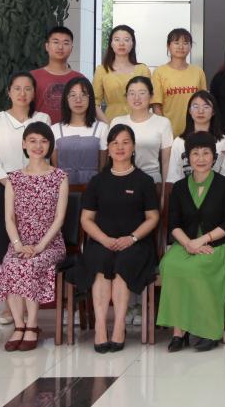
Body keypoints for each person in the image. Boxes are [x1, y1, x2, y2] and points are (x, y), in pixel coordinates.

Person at [71, 124, 160, 353]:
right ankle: (101, 327)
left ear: (133, 147)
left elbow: (152, 217)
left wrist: (132, 238)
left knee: (122, 263)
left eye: (125, 142)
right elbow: (86, 219)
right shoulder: (97, 181)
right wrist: (103, 239)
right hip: (102, 241)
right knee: (101, 262)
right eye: (115, 143)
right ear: (108, 149)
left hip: (136, 243)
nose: (120, 147)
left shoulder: (144, 181)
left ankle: (119, 326)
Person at [0, 123, 68, 352]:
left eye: (43, 141)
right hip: (20, 244)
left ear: (50, 145)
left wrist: (39, 247)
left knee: (29, 266)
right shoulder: (13, 179)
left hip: (50, 244)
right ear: (24, 144)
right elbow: (9, 218)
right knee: (10, 264)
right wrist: (18, 245)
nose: (38, 146)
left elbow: (59, 218)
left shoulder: (59, 177)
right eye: (33, 140)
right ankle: (19, 325)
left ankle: (32, 325)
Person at [157, 132, 225, 353]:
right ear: (187, 158)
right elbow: (173, 224)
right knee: (170, 265)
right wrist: (188, 244)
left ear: (214, 157)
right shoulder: (179, 187)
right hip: (185, 243)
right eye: (195, 153)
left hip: (218, 244)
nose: (200, 158)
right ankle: (179, 331)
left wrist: (201, 241)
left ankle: (208, 330)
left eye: (206, 153)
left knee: (197, 268)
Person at [0, 71, 52, 279]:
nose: (22, 93)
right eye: (17, 88)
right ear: (9, 92)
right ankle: (7, 293)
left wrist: (28, 184)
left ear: (34, 93)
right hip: (4, 187)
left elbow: (46, 155)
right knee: (4, 240)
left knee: (32, 243)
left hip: (36, 189)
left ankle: (30, 290)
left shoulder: (42, 119)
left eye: (27, 89)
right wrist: (14, 185)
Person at [110, 76, 173, 186]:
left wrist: (164, 190)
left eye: (142, 93)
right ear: (126, 97)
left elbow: (166, 162)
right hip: (121, 179)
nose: (136, 98)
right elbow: (111, 157)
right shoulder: (117, 122)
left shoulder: (163, 123)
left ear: (151, 96)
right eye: (132, 93)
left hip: (152, 180)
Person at [51, 77, 107, 186]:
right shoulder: (54, 129)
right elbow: (55, 169)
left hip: (93, 189)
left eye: (83, 95)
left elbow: (102, 168)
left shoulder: (102, 128)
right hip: (64, 190)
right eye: (73, 95)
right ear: (66, 99)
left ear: (90, 98)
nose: (78, 100)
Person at [150, 28, 207, 136]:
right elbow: (156, 106)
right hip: (169, 132)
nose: (181, 47)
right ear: (168, 46)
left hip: (195, 132)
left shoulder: (198, 72)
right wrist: (164, 131)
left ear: (190, 46)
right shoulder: (159, 72)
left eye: (185, 43)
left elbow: (204, 104)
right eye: (176, 43)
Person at [168, 90, 225, 183]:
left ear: (213, 111)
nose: (200, 111)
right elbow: (173, 175)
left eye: (206, 107)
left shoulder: (223, 141)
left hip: (217, 189)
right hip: (184, 190)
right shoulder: (179, 142)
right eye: (195, 106)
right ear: (190, 111)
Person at [93, 25, 151, 122]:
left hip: (139, 122)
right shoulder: (102, 70)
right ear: (111, 44)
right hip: (112, 121)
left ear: (132, 43)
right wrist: (107, 124)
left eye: (126, 40)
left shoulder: (142, 69)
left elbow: (150, 100)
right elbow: (94, 103)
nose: (121, 43)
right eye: (117, 40)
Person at [30, 26, 84, 125]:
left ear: (71, 48)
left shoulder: (79, 78)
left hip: (70, 131)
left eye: (66, 43)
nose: (60, 47)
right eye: (56, 42)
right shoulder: (32, 77)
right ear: (47, 46)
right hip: (40, 132)